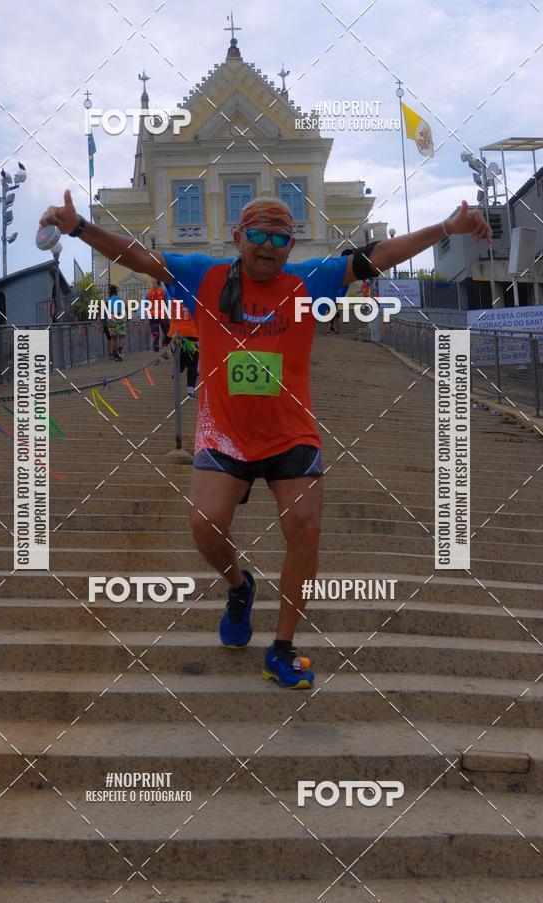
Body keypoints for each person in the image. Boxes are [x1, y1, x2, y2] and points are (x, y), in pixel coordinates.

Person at [40, 191, 491, 689]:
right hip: (225, 430)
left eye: (279, 237)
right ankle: (239, 587)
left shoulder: (307, 280)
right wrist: (80, 227)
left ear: (289, 244)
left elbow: (376, 257)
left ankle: (281, 648)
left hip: (290, 432)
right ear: (238, 238)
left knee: (306, 525)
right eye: (257, 234)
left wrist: (446, 229)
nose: (267, 245)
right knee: (205, 526)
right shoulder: (203, 276)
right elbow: (138, 256)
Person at [167, 298, 199, 398]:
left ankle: (177, 372)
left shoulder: (173, 299)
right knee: (192, 363)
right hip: (191, 332)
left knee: (180, 358)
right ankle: (190, 390)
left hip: (175, 333)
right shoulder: (194, 298)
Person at [147, 280, 170, 357]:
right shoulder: (164, 291)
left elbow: (145, 304)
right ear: (160, 283)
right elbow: (167, 302)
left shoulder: (149, 293)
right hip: (162, 315)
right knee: (168, 333)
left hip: (152, 316)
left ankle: (156, 354)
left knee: (155, 335)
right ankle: (164, 348)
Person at [108, 284, 126, 361]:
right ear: (116, 291)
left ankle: (115, 354)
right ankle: (119, 351)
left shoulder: (109, 300)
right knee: (121, 336)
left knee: (113, 337)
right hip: (120, 318)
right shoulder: (120, 299)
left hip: (111, 318)